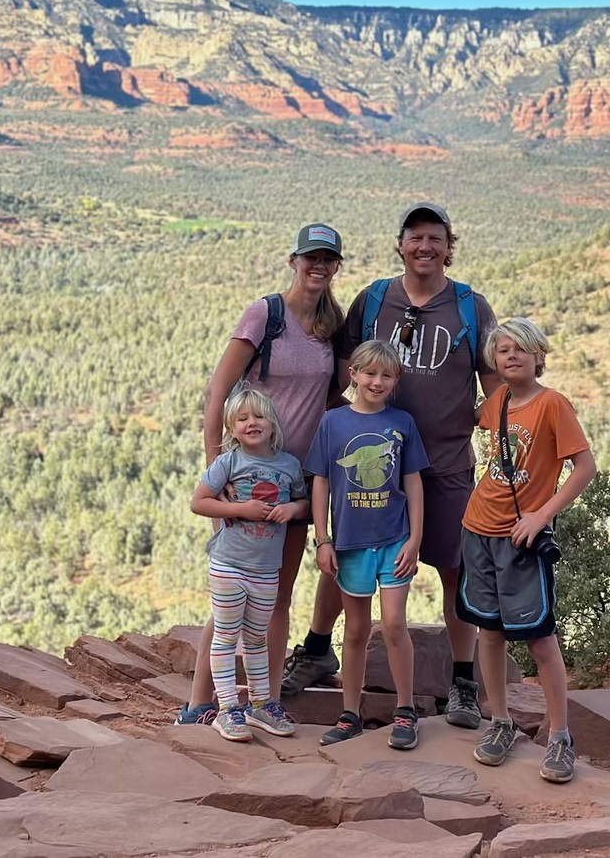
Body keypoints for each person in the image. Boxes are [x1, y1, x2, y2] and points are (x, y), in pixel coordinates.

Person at [283, 203, 500, 730]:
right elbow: (340, 376)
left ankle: (464, 681)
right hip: (370, 463)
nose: (425, 247)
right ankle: (317, 648)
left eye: (435, 238)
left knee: (454, 568)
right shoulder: (374, 300)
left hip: (445, 463)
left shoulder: (471, 306)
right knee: (350, 551)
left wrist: (477, 423)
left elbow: (495, 386)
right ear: (400, 245)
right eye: (415, 238)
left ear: (450, 246)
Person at [176, 223, 346, 731]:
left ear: (337, 266)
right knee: (233, 592)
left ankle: (265, 701)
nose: (318, 266)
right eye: (310, 257)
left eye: (328, 259)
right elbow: (218, 395)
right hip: (247, 480)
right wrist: (218, 471)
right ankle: (199, 703)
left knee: (276, 593)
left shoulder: (331, 325)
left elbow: (333, 396)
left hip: (300, 482)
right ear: (293, 260)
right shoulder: (265, 315)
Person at [458, 317, 595, 783]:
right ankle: (500, 722)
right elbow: (462, 413)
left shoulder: (552, 404)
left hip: (522, 536)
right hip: (478, 527)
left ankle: (560, 736)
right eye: (502, 351)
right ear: (494, 363)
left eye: (521, 349)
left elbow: (584, 466)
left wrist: (542, 515)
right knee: (489, 632)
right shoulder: (496, 401)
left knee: (539, 637)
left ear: (539, 356)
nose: (512, 356)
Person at [307, 341, 427, 749]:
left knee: (394, 623)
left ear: (395, 381)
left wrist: (415, 538)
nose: (377, 381)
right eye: (369, 373)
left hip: (394, 539)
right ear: (353, 374)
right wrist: (323, 539)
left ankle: (406, 710)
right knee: (355, 629)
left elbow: (413, 481)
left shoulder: (403, 422)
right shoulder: (333, 422)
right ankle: (350, 714)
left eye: (386, 375)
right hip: (350, 543)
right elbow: (320, 480)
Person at [190, 385, 309, 742]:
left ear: (273, 424)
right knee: (226, 638)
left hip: (266, 569)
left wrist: (292, 509)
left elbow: (305, 504)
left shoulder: (288, 466)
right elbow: (199, 502)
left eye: (258, 416)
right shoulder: (229, 462)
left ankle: (260, 704)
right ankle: (227, 709)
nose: (251, 423)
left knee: (257, 639)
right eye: (242, 419)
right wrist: (240, 509)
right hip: (229, 565)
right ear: (231, 428)